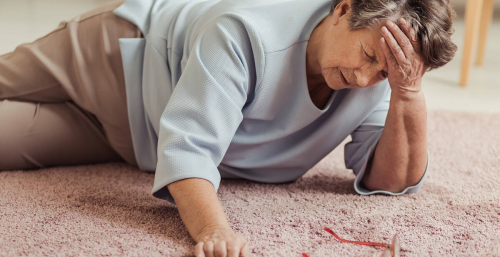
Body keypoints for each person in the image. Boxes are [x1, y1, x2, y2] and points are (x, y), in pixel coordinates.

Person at [0, 0, 457, 256]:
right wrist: (213, 232)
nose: (363, 77)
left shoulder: (381, 84)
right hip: (114, 59)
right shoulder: (245, 34)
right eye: (369, 55)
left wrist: (407, 92)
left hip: (135, 138)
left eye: (384, 71)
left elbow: (390, 180)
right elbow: (190, 149)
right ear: (343, 9)